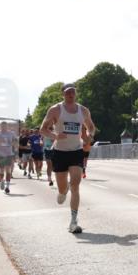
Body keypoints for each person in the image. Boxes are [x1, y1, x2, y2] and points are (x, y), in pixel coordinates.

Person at [39, 83, 97, 233]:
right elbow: (43, 129)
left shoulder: (83, 110)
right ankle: (63, 192)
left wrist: (89, 136)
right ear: (63, 94)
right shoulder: (56, 109)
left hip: (76, 151)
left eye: (73, 92)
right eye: (68, 92)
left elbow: (91, 126)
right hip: (59, 151)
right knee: (63, 187)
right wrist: (55, 136)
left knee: (76, 184)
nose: (71, 95)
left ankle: (73, 221)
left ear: (75, 93)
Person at [0, 122, 17, 193]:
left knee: (8, 170)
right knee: (1, 170)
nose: (4, 128)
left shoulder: (11, 133)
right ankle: (1, 180)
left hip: (9, 154)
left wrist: (13, 143)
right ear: (0, 126)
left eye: (5, 126)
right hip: (1, 154)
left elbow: (15, 141)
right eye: (2, 126)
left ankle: (7, 187)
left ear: (7, 126)